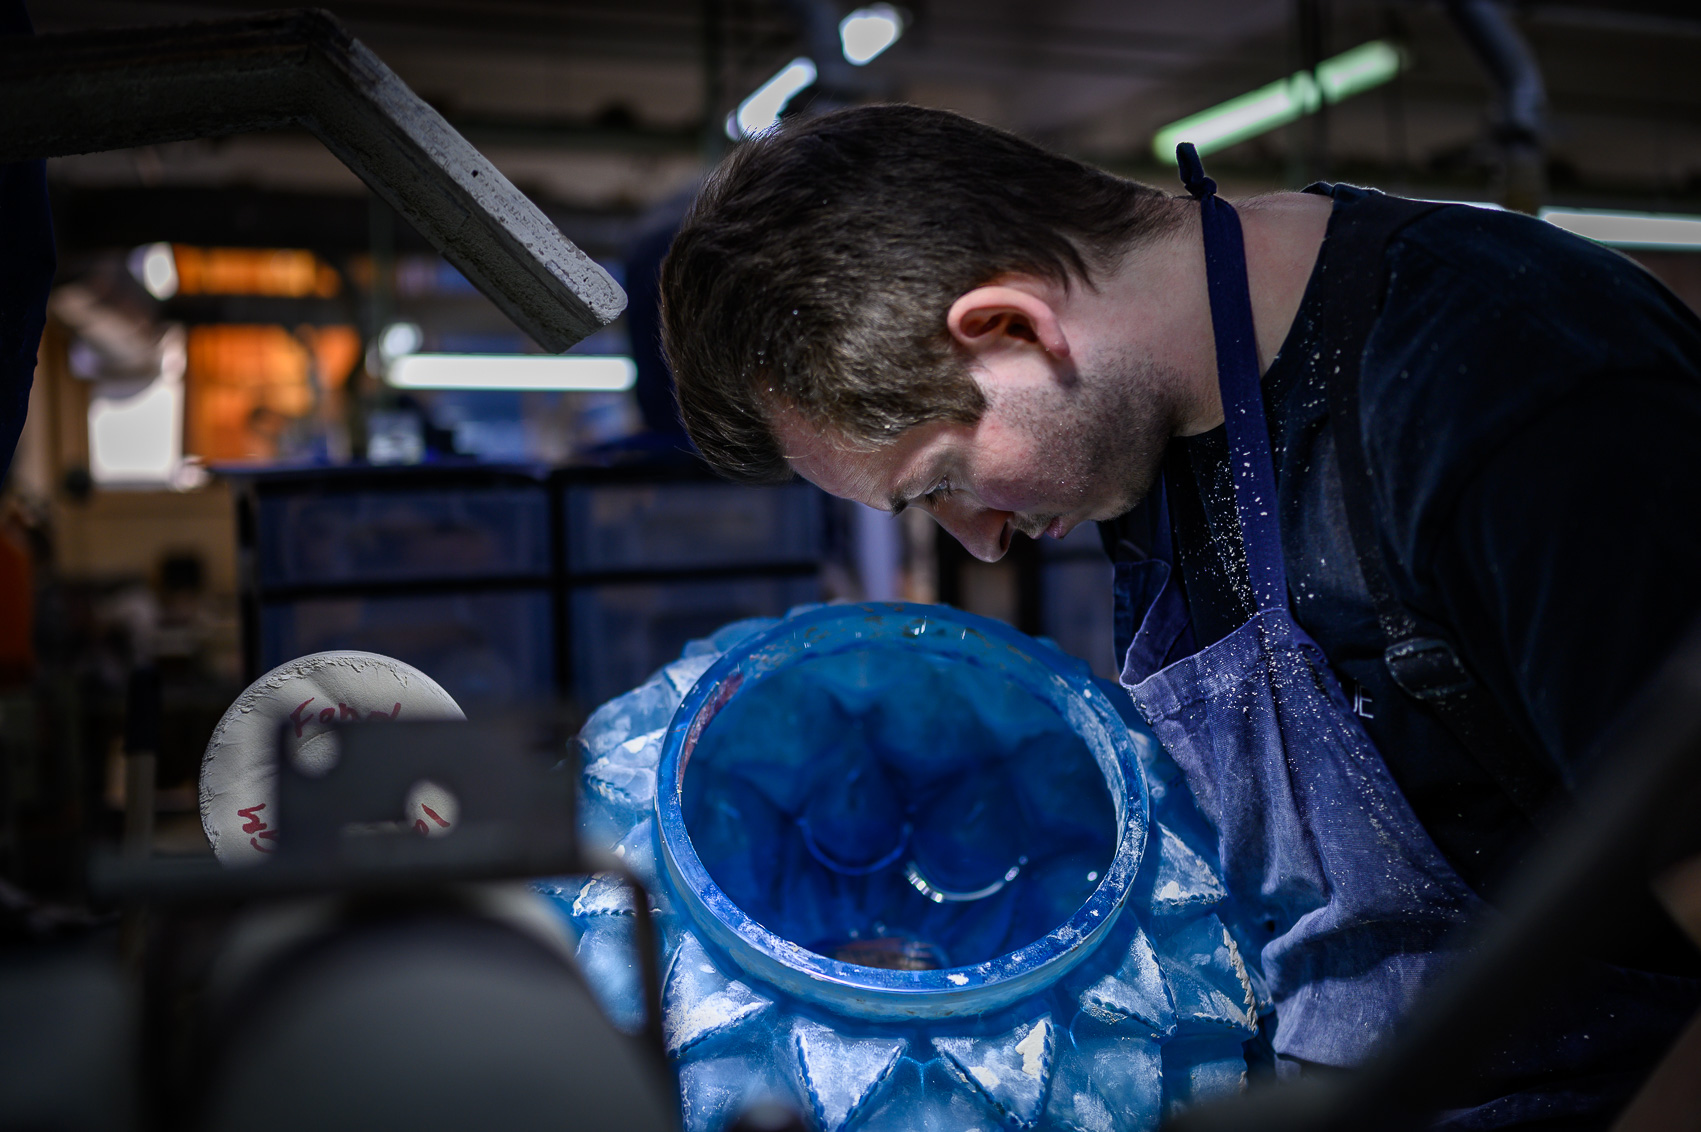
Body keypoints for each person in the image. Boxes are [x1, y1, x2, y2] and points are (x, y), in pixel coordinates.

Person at [659, 104, 1701, 1127]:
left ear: (1011, 326)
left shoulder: (1509, 385)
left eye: (942, 482)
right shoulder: (1150, 453)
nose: (979, 540)